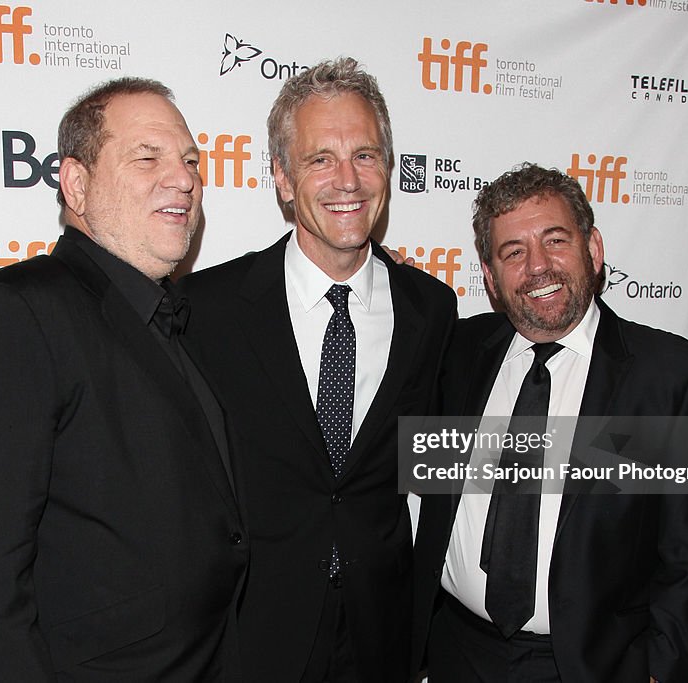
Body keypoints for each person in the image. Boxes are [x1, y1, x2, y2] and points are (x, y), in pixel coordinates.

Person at [0, 78, 247, 682]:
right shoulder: (16, 313)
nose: (184, 179)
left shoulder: (170, 321)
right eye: (148, 158)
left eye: (191, 161)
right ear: (76, 184)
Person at [182, 57, 457, 682]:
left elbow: (430, 464)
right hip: (252, 633)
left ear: (388, 167)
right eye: (320, 159)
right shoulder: (210, 308)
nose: (348, 180)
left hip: (381, 634)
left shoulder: (431, 308)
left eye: (365, 155)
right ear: (282, 177)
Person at [410, 163, 688, 683]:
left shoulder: (669, 376)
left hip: (591, 666)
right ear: (490, 277)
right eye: (513, 251)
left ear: (594, 249)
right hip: (455, 652)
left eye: (555, 240)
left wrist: (658, 671)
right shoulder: (459, 353)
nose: (538, 266)